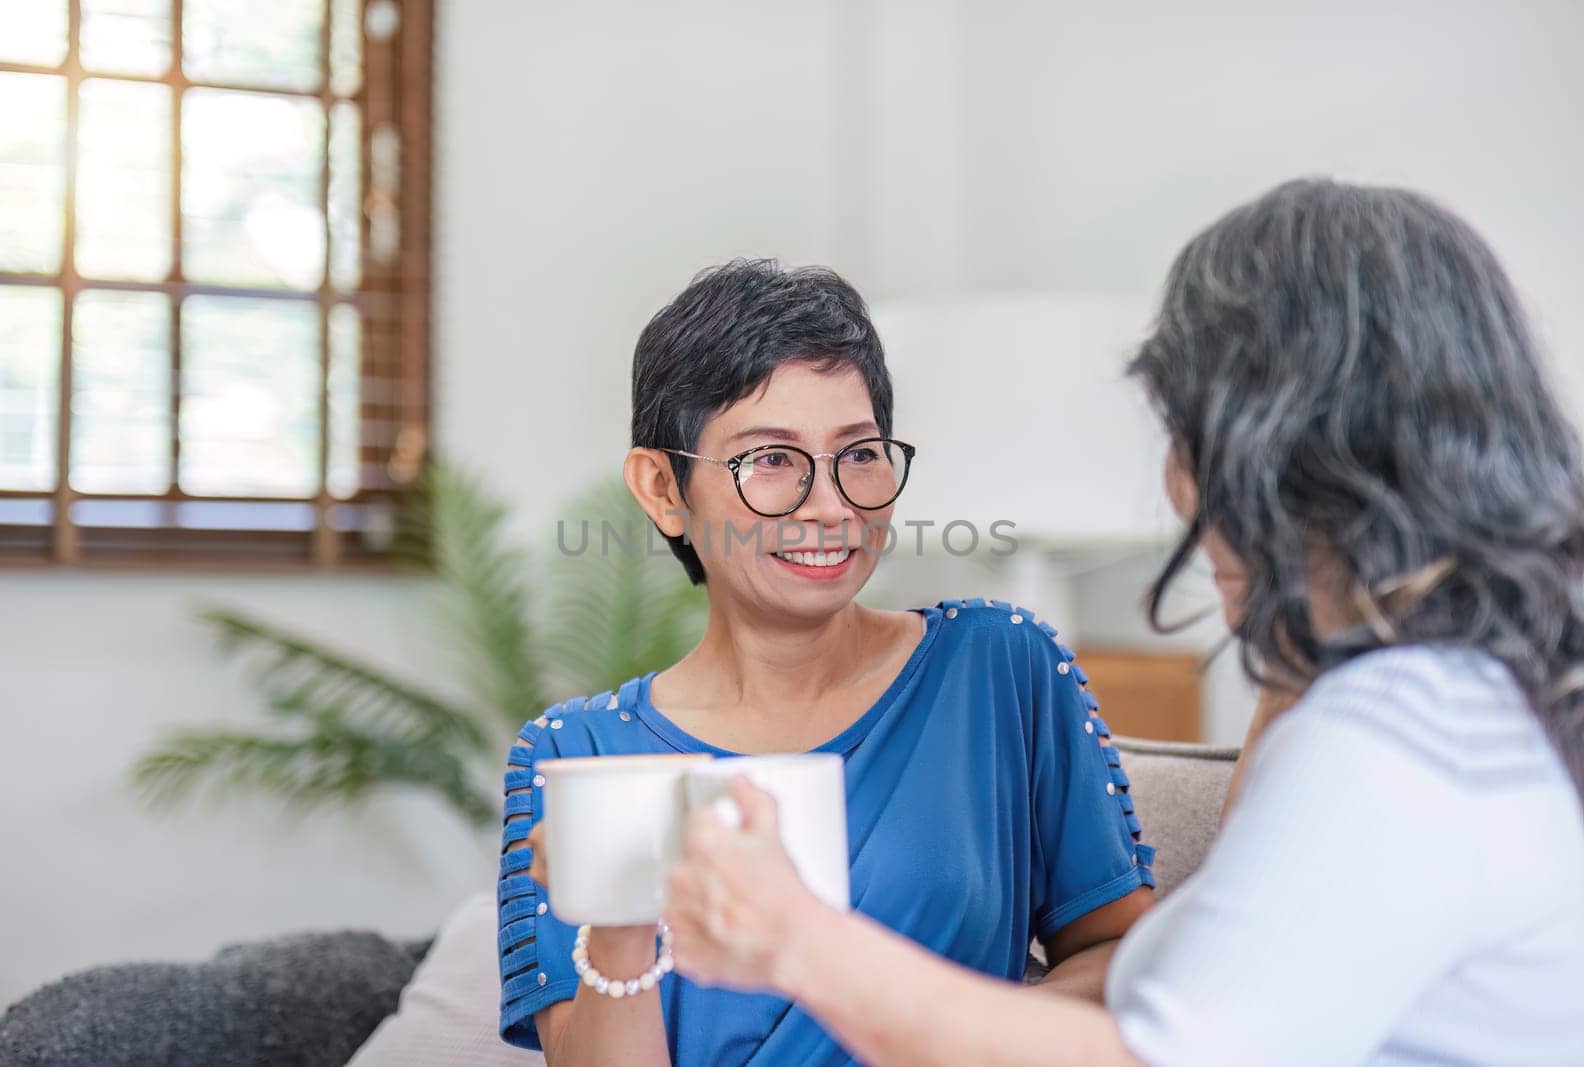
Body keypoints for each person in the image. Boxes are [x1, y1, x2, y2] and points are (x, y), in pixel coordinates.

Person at [660, 181, 1584, 1066]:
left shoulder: (1397, 731)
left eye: (1186, 432)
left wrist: (798, 941)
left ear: (1280, 448)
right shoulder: (1439, 701)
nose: (1177, 487)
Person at [497, 260, 1156, 1065]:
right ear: (662, 488)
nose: (832, 505)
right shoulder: (576, 756)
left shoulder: (999, 668)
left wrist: (946, 1031)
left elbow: (1127, 954)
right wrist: (620, 927)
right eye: (771, 459)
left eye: (860, 453)